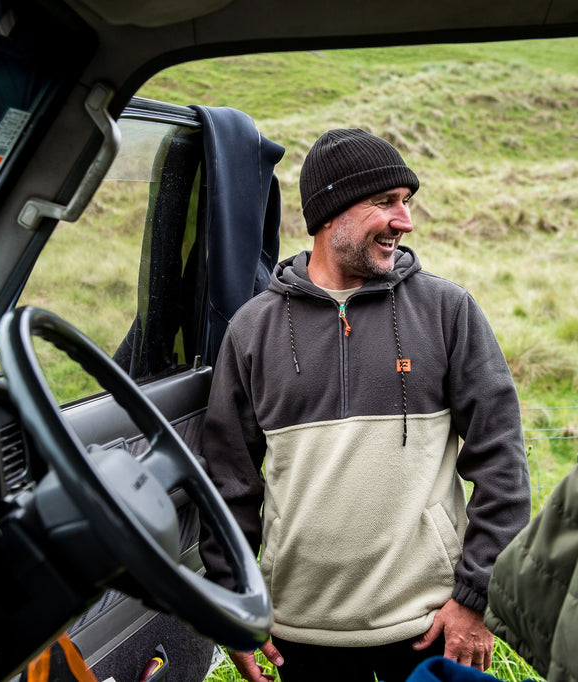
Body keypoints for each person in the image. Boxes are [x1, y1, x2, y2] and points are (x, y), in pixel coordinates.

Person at [198, 128, 530, 682]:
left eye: (407, 203)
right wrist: (234, 604)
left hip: (428, 625)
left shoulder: (448, 312)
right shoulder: (252, 330)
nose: (405, 221)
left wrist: (477, 595)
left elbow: (502, 461)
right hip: (302, 633)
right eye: (385, 203)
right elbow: (228, 480)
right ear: (330, 213)